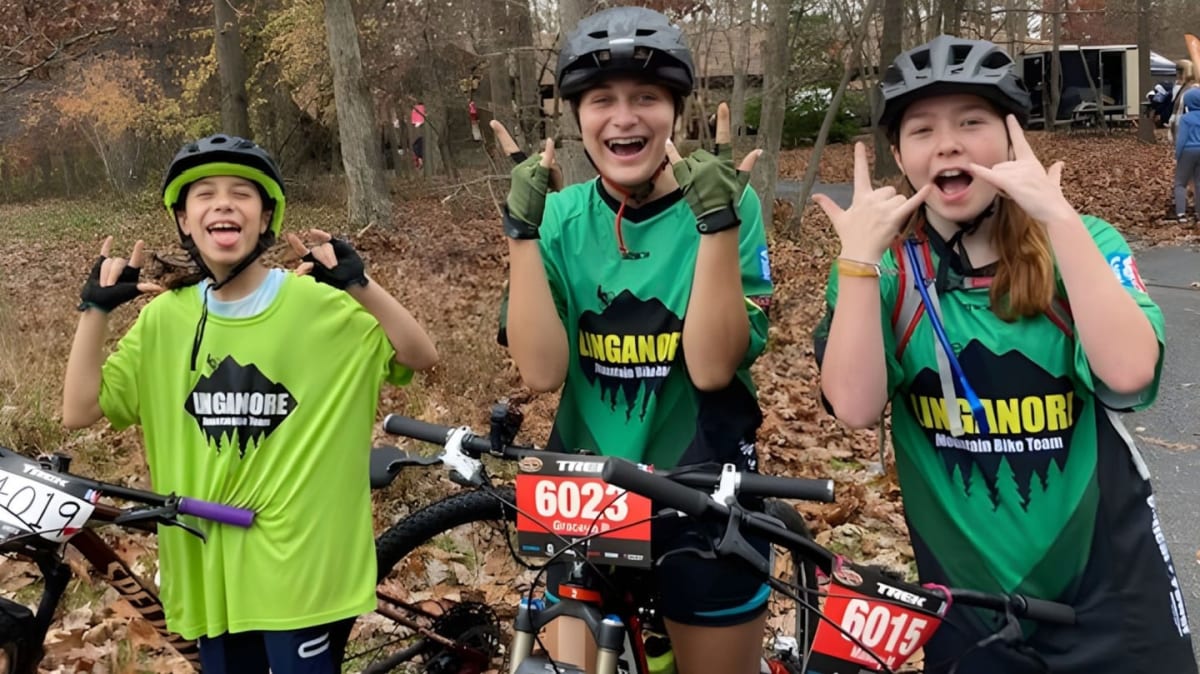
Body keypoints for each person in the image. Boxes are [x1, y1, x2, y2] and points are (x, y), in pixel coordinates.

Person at [813, 35, 1196, 674]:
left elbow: (1130, 374)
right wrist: (856, 262)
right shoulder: (883, 270)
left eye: (972, 123)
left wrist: (1060, 221)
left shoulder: (1082, 239)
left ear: (1015, 139)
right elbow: (854, 406)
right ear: (899, 155)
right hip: (969, 602)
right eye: (922, 130)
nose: (948, 144)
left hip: (1111, 587)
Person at [61, 134, 438, 673]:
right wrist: (94, 311)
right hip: (210, 571)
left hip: (301, 570)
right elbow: (78, 410)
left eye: (241, 193)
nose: (223, 204)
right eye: (205, 194)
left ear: (265, 219)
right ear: (184, 220)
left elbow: (420, 354)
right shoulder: (165, 319)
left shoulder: (318, 308)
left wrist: (359, 284)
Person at [492, 7, 773, 674]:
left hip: (701, 485)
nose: (624, 117)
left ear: (675, 110)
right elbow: (541, 371)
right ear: (578, 117)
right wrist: (523, 234)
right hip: (582, 489)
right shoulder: (561, 215)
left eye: (646, 97)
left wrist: (717, 225)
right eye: (602, 100)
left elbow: (712, 369)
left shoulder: (730, 201)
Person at [1175, 88, 1200, 223]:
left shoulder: (1186, 119)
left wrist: (1178, 155)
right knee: (1199, 183)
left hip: (1188, 151)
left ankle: (1181, 214)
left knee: (1180, 183)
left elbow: (1181, 139)